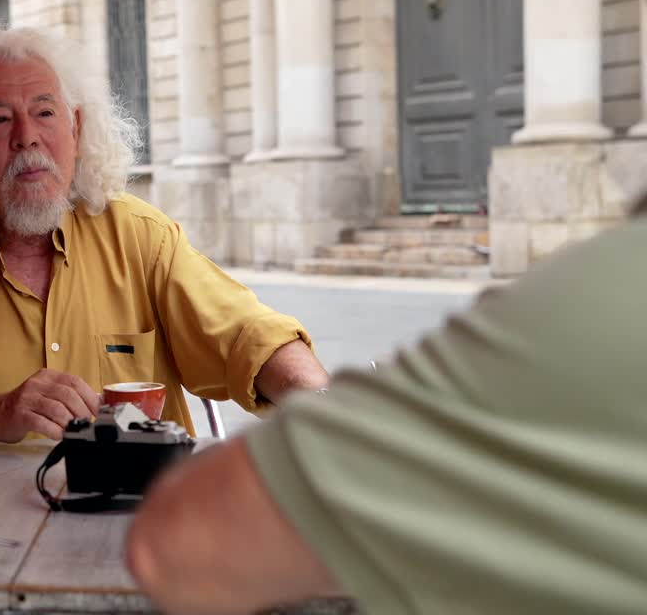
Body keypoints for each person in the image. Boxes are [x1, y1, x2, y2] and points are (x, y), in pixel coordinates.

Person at [126, 196, 647, 613]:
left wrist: (325, 408)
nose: (37, 138)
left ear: (81, 126)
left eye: (49, 112)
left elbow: (178, 547)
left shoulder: (600, 295)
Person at [0, 28, 330, 446]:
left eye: (45, 113)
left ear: (75, 129)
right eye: (0, 118)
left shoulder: (140, 239)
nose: (26, 136)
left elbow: (251, 337)